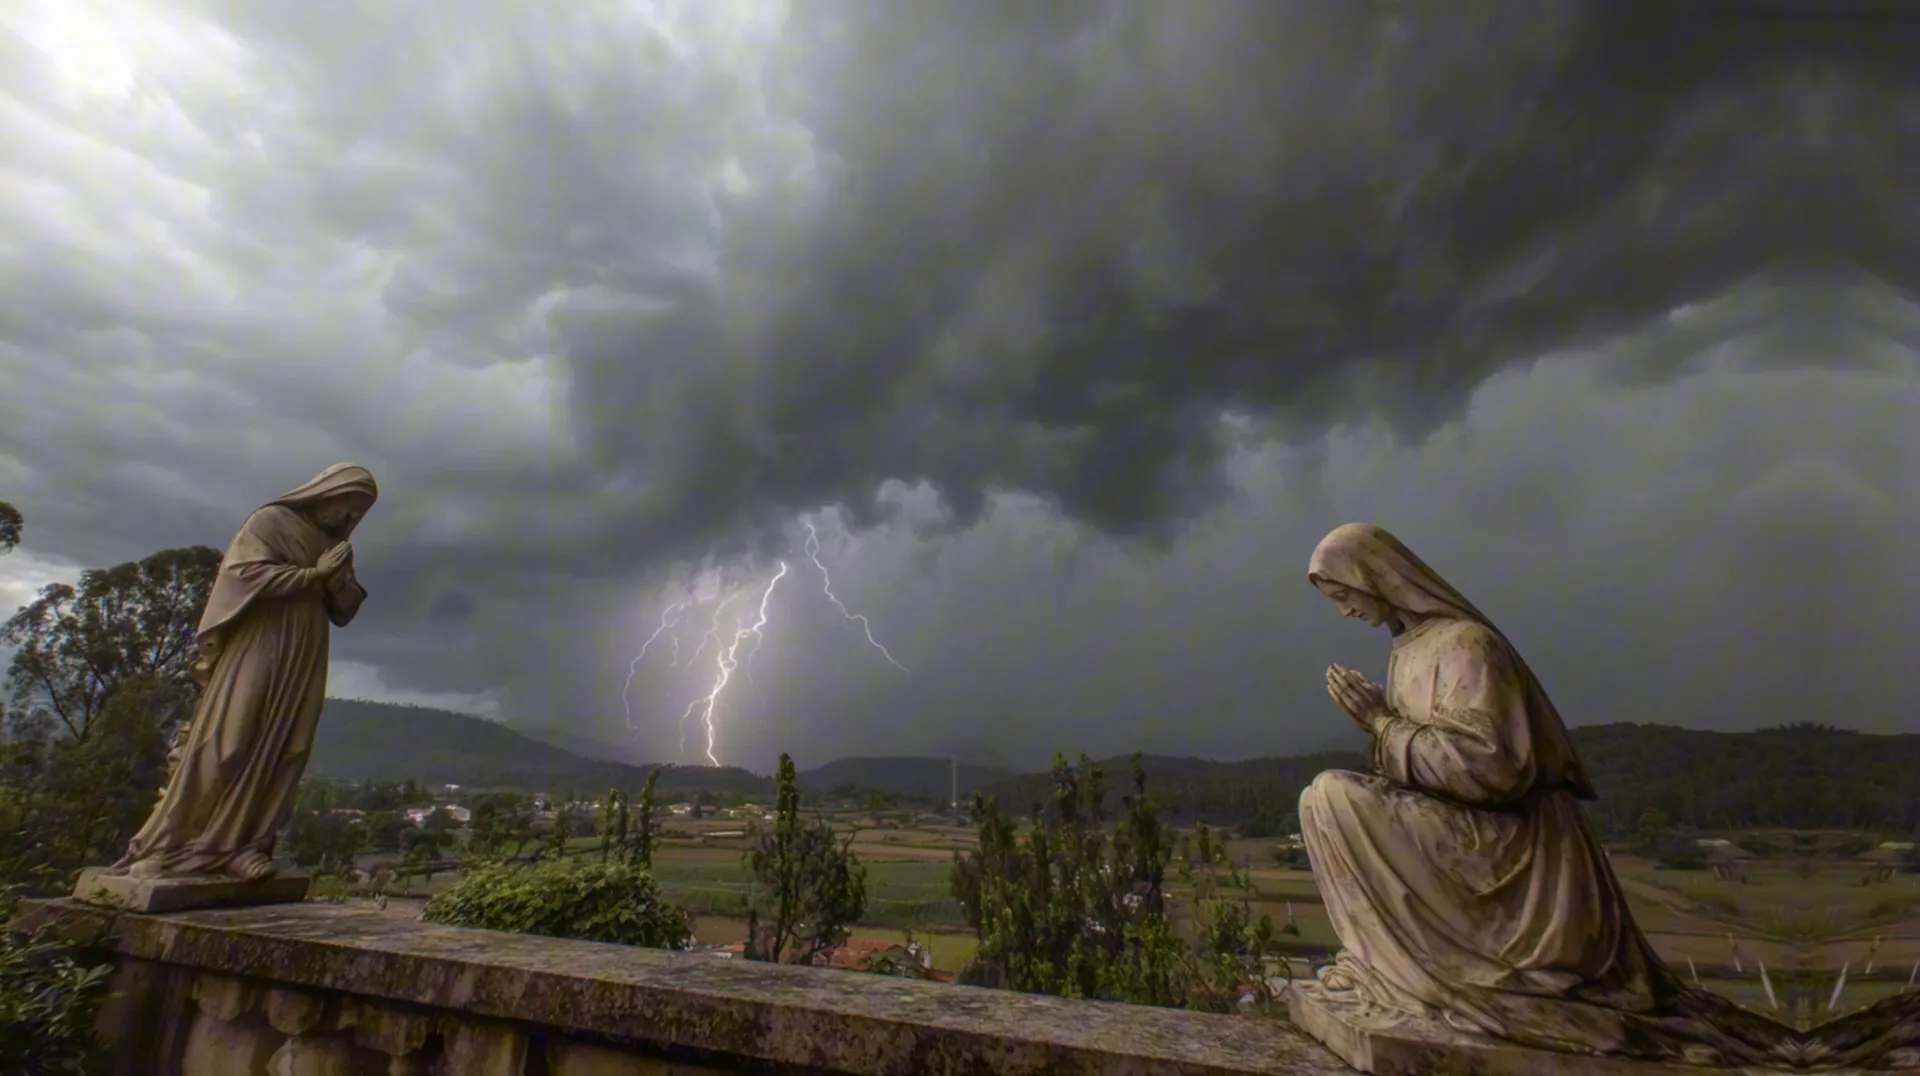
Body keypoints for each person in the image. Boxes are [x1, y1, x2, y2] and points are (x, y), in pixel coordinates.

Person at [1298, 522, 1782, 1062]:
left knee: (1329, 797)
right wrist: (1382, 731)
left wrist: (1382, 725)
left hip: (1520, 850)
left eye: (1344, 595)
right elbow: (1425, 767)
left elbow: (1493, 769)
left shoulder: (1467, 644)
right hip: (1471, 828)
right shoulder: (1407, 650)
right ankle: (1390, 965)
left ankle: (1432, 973)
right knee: (1324, 799)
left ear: (1376, 576)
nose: (1345, 611)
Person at [117, 464, 378, 880]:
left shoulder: (336, 547)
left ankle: (246, 845)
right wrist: (315, 574)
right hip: (262, 641)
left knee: (286, 749)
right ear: (326, 493)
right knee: (228, 740)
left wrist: (335, 581)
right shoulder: (270, 521)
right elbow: (243, 575)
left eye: (357, 515)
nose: (350, 521)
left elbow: (344, 608)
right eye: (347, 509)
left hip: (306, 651)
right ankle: (170, 845)